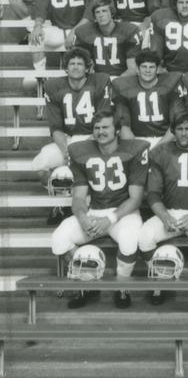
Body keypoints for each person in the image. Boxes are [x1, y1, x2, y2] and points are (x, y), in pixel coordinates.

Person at [50, 109, 148, 309]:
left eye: (105, 127)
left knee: (129, 241)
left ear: (117, 130)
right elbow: (78, 196)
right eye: (97, 128)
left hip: (123, 213)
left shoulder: (135, 150)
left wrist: (110, 219)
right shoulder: (81, 151)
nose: (101, 132)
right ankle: (87, 282)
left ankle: (121, 289)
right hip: (94, 210)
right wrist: (82, 216)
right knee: (59, 237)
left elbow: (136, 199)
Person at [137, 112, 188, 303]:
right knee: (144, 236)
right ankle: (160, 278)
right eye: (179, 129)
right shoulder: (161, 152)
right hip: (171, 211)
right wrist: (164, 216)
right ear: (172, 131)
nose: (183, 133)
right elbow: (154, 194)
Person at [34, 48, 113, 224]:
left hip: (94, 138)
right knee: (41, 165)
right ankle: (60, 205)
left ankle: (85, 208)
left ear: (87, 68)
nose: (76, 67)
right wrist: (67, 150)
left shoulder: (100, 82)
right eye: (72, 63)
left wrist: (82, 149)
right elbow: (55, 127)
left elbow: (104, 123)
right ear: (66, 68)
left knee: (88, 167)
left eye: (80, 64)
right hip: (67, 139)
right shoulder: (54, 86)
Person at [110, 50, 183, 147]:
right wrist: (137, 148)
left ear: (157, 69)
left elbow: (177, 122)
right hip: (137, 139)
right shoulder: (123, 86)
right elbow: (125, 126)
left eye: (152, 67)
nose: (147, 70)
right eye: (144, 67)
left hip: (165, 139)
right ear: (137, 69)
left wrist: (159, 146)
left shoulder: (170, 84)